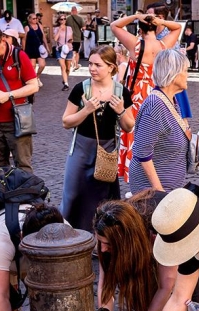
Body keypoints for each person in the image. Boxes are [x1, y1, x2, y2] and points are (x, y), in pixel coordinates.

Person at [60, 46, 134, 231]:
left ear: (111, 67)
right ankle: (69, 235)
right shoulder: (81, 89)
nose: (92, 68)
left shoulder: (121, 92)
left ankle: (100, 237)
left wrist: (121, 111)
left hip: (106, 150)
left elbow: (129, 126)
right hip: (81, 149)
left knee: (102, 199)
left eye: (98, 65)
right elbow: (66, 122)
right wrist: (85, 110)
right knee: (72, 195)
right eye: (90, 64)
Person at [111, 13, 181, 182]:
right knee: (156, 133)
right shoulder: (163, 45)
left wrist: (136, 15)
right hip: (159, 94)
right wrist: (161, 21)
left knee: (134, 133)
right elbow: (178, 27)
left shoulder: (135, 44)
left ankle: (134, 173)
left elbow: (114, 25)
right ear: (156, 28)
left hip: (138, 94)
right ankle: (155, 172)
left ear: (140, 30)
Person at [0, 27, 39, 173]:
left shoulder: (18, 56)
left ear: (3, 40)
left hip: (16, 121)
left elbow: (34, 86)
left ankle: (23, 189)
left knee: (23, 167)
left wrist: (8, 95)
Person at [129, 49, 190, 194]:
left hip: (167, 190)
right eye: (185, 70)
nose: (187, 75)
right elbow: (142, 151)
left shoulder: (171, 100)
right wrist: (159, 191)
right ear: (173, 73)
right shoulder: (155, 105)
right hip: (153, 193)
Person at [24, 13, 48, 87]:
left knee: (42, 65)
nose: (36, 20)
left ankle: (37, 77)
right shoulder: (27, 27)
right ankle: (34, 81)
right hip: (30, 48)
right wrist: (23, 49)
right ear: (29, 19)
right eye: (34, 18)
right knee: (33, 66)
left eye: (36, 18)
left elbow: (43, 37)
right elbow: (24, 39)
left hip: (39, 48)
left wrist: (47, 47)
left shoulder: (39, 25)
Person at [53, 14, 74, 90]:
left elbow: (72, 38)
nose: (63, 20)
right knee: (63, 67)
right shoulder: (56, 29)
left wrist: (71, 41)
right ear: (59, 21)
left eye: (64, 19)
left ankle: (65, 79)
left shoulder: (69, 28)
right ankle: (66, 84)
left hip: (69, 49)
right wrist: (59, 30)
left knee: (68, 68)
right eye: (61, 19)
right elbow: (55, 39)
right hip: (60, 49)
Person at [67, 7, 85, 71]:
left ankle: (73, 64)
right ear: (76, 11)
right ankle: (76, 65)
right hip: (77, 38)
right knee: (76, 52)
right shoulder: (80, 18)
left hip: (69, 38)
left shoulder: (67, 18)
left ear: (71, 11)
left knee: (71, 52)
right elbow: (84, 28)